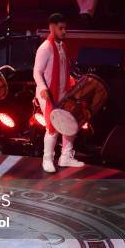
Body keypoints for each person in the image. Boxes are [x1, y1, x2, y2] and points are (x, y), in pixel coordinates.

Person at [33, 13, 85, 173]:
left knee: (70, 122)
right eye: (61, 28)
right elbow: (37, 72)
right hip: (47, 93)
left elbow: (62, 71)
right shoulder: (45, 48)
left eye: (65, 28)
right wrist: (42, 88)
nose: (64, 32)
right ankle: (47, 159)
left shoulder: (62, 46)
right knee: (53, 126)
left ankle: (65, 156)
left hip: (63, 92)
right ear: (52, 27)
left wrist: (72, 83)